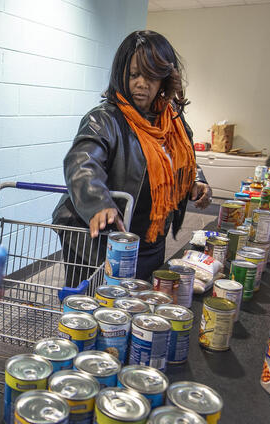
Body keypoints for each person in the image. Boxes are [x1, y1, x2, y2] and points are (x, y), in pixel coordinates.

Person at [53, 30, 211, 284]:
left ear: (165, 79)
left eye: (151, 76)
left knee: (140, 302)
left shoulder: (172, 119)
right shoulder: (104, 118)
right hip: (97, 235)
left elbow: (181, 158)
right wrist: (97, 203)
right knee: (93, 302)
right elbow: (82, 163)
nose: (142, 84)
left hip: (149, 234)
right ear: (121, 74)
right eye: (134, 74)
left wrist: (196, 180)